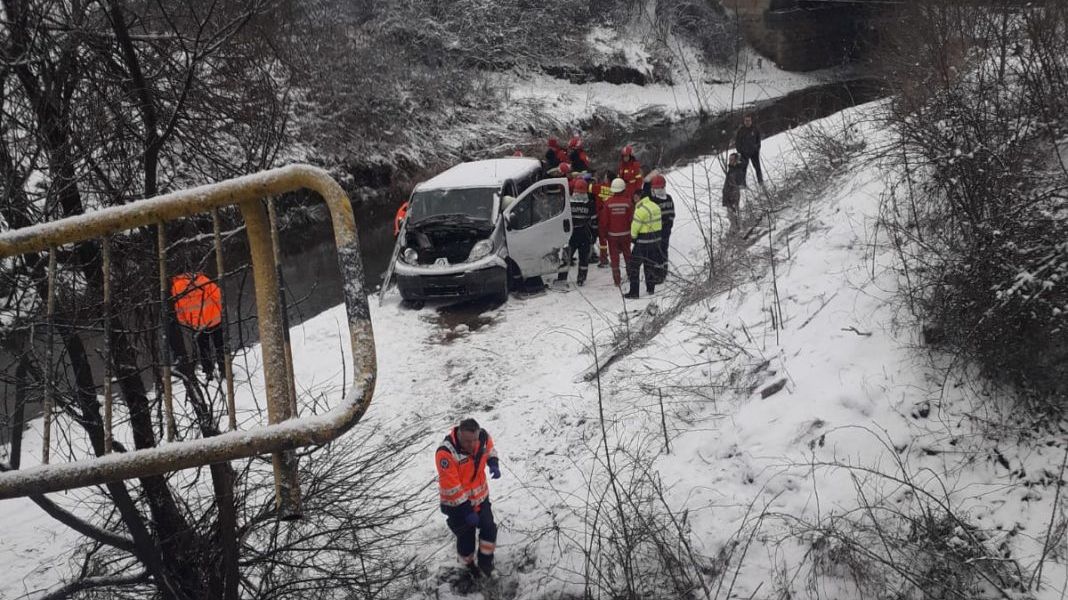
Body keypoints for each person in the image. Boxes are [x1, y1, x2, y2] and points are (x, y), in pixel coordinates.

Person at [436, 418, 501, 579]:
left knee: (489, 529)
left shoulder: (483, 438)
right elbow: (452, 487)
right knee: (466, 540)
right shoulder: (446, 453)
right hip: (456, 505)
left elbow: (490, 450)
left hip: (481, 498)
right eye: (467, 441)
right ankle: (467, 567)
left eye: (474, 440)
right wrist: (466, 510)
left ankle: (486, 562)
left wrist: (493, 463)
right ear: (458, 435)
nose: (472, 445)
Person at [171, 272, 225, 380]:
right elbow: (218, 295)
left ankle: (209, 372)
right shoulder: (202, 279)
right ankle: (224, 369)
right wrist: (219, 311)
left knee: (203, 348)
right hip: (214, 319)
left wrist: (186, 323)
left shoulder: (176, 287)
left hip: (197, 324)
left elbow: (179, 309)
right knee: (220, 345)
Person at [558, 178, 597, 286]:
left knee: (566, 258)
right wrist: (594, 235)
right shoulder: (590, 204)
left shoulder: (568, 204)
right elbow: (594, 221)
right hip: (584, 234)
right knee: (583, 259)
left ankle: (561, 279)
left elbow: (562, 219)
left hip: (571, 235)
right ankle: (581, 278)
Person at [625, 191, 662, 298]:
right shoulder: (655, 206)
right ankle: (651, 288)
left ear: (638, 197)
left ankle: (634, 292)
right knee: (649, 264)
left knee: (634, 266)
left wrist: (633, 237)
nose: (634, 200)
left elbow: (635, 228)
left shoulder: (640, 209)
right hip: (655, 241)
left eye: (635, 197)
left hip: (643, 241)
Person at [602, 178, 634, 287]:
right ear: (623, 189)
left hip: (612, 236)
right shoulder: (628, 202)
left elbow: (604, 221)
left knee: (614, 257)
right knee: (627, 255)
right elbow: (631, 219)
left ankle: (617, 280)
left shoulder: (607, 203)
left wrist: (604, 235)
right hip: (626, 235)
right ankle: (631, 275)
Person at [648, 174, 674, 284]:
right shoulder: (669, 198)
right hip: (666, 230)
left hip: (658, 231)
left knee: (657, 252)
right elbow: (672, 214)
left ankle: (658, 275)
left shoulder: (653, 201)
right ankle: (663, 272)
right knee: (664, 250)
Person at [592, 171, 614, 268]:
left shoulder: (600, 188)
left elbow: (588, 188)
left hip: (602, 216)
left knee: (602, 239)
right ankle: (614, 258)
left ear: (608, 179)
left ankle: (604, 259)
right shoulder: (616, 188)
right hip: (614, 217)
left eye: (605, 177)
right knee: (612, 238)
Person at [734, 113, 763, 186]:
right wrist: (740, 151)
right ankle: (743, 184)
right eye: (746, 121)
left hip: (754, 152)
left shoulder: (755, 129)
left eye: (749, 120)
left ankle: (761, 182)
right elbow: (737, 142)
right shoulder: (741, 131)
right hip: (744, 154)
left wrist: (757, 147)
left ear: (751, 121)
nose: (748, 122)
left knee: (757, 168)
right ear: (744, 121)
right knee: (743, 169)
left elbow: (758, 139)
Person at [722, 152, 747, 233]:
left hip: (733, 196)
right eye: (729, 159)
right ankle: (736, 230)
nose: (730, 161)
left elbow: (737, 185)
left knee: (734, 215)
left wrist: (732, 197)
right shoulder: (731, 169)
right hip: (728, 196)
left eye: (732, 159)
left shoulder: (737, 170)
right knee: (731, 216)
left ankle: (738, 231)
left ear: (736, 160)